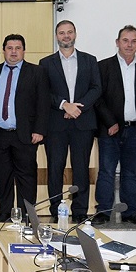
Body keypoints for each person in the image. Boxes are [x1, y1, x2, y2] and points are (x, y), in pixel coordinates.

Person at [94, 25, 136, 225]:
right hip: (110, 130)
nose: (129, 45)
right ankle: (103, 212)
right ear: (117, 42)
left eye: (133, 41)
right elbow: (98, 98)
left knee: (131, 173)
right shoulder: (103, 66)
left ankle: (130, 212)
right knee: (106, 171)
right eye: (125, 40)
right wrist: (110, 122)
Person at [39, 20, 102, 223]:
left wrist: (77, 108)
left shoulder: (89, 60)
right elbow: (44, 91)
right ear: (56, 36)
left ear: (75, 34)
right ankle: (56, 209)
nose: (66, 36)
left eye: (69, 32)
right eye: (61, 32)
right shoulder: (46, 63)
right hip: (56, 124)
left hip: (83, 123)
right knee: (55, 168)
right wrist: (64, 105)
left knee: (81, 168)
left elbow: (96, 88)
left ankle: (80, 210)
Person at [0, 33, 49, 222]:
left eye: (18, 48)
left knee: (27, 178)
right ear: (3, 50)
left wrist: (39, 130)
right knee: (3, 177)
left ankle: (26, 215)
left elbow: (43, 103)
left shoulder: (36, 72)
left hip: (25, 134)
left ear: (24, 50)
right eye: (9, 48)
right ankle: (5, 213)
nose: (13, 52)